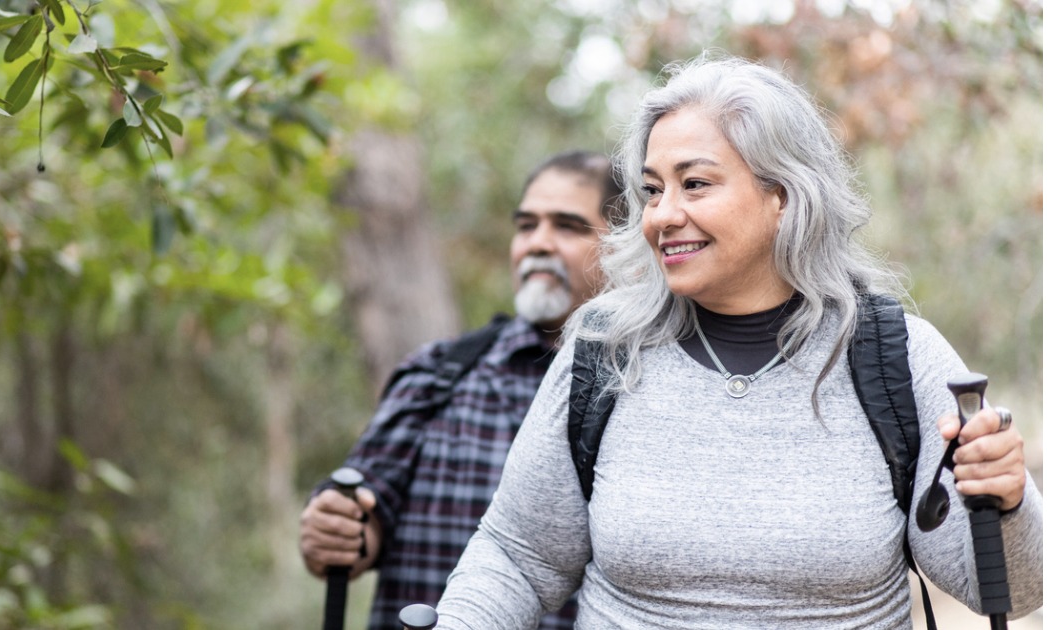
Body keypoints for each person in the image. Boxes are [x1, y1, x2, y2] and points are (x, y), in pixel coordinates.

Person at [433, 54, 1043, 628]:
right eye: (653, 189)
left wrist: (1008, 499)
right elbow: (519, 558)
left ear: (782, 195)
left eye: (695, 183)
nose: (662, 215)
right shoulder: (606, 348)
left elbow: (1015, 593)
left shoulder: (893, 355)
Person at [299, 150, 627, 629]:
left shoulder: (646, 392)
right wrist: (336, 529)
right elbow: (362, 519)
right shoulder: (439, 375)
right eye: (526, 226)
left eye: (567, 226)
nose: (537, 243)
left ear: (624, 244)